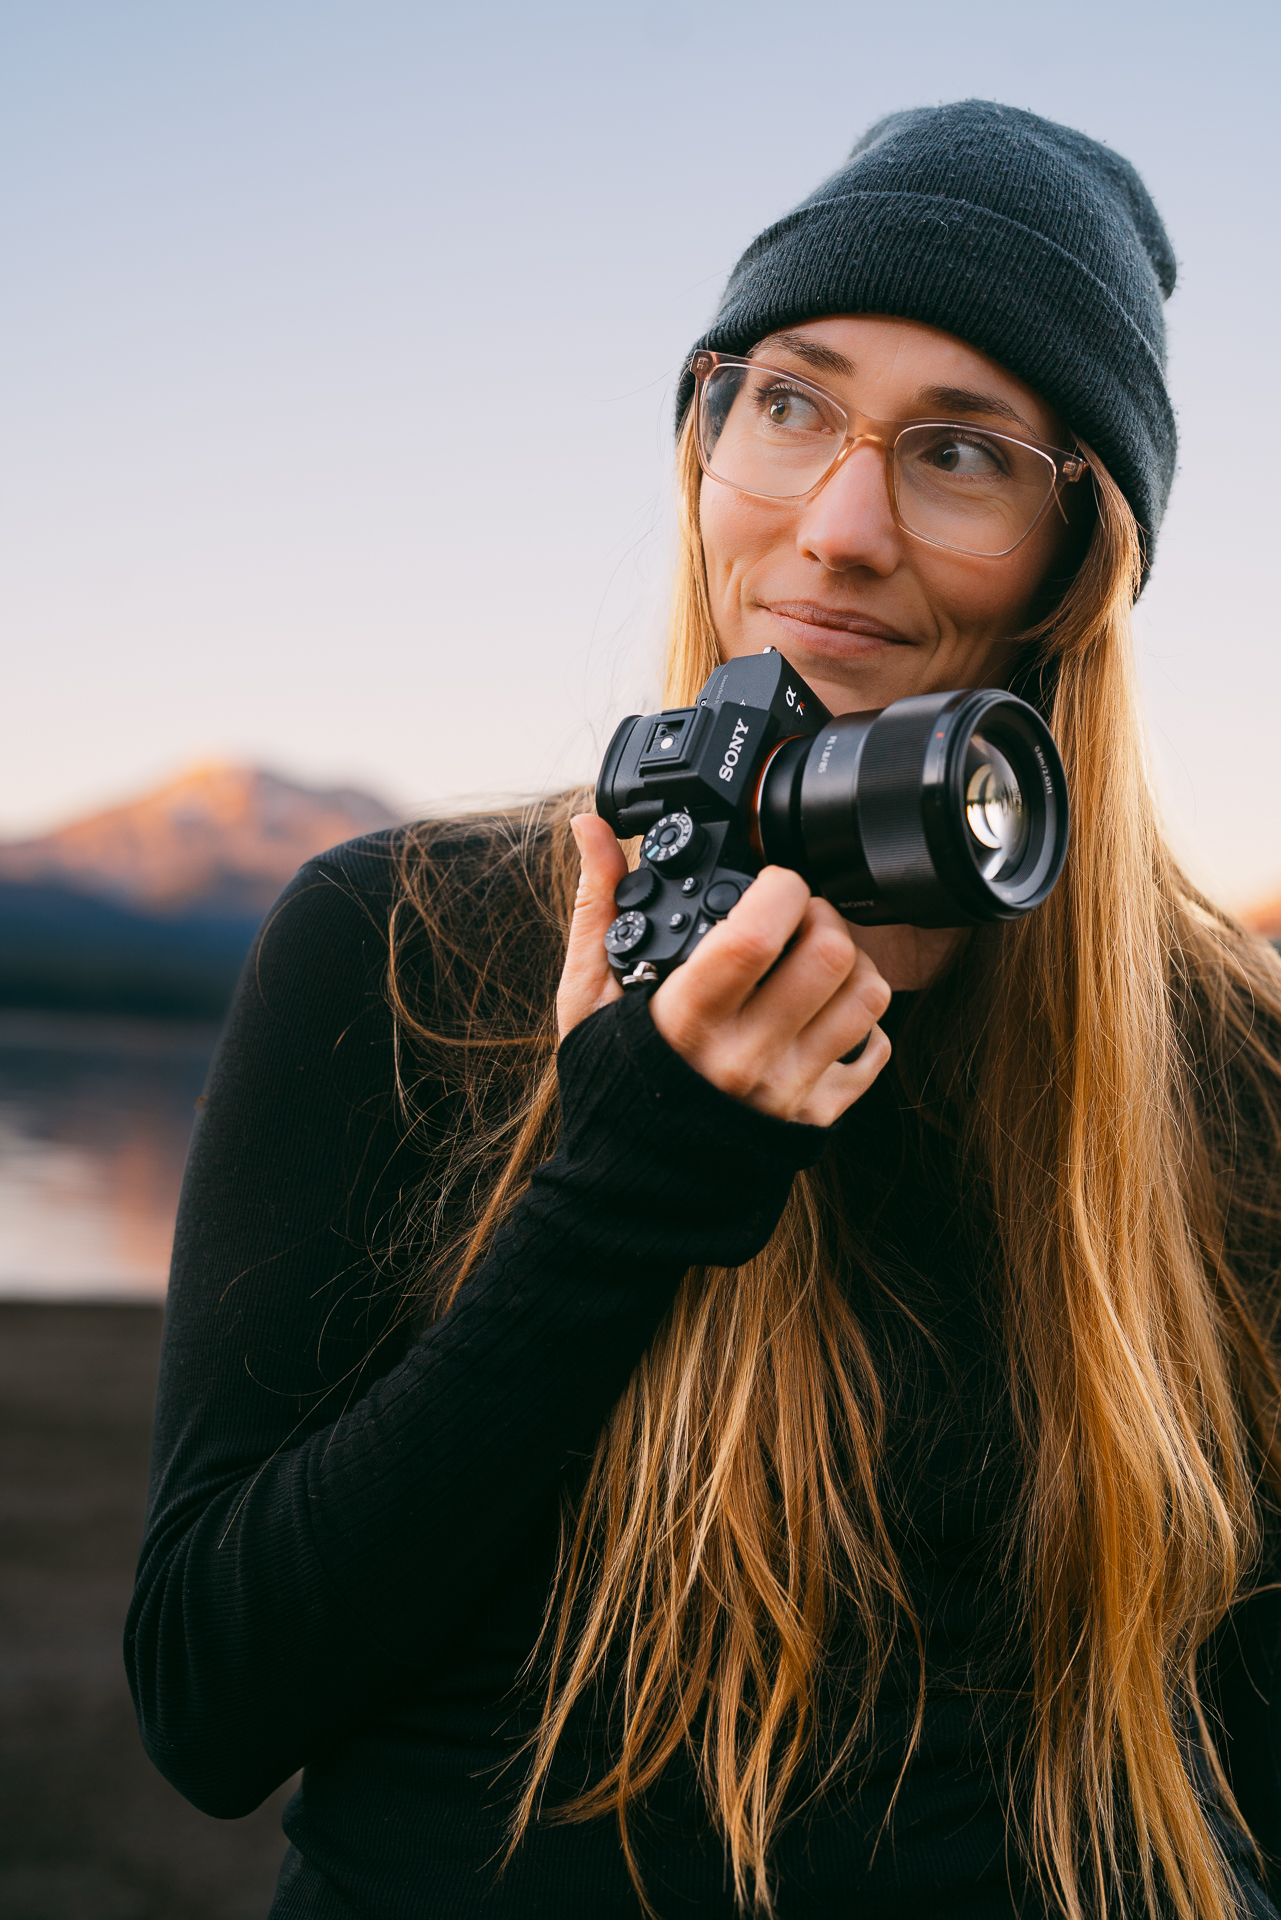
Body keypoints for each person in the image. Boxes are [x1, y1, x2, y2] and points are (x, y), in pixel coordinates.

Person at [127, 102, 1281, 1920]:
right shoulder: (404, 944)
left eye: (960, 452)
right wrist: (625, 1183)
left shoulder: (1226, 1059)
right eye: (791, 404)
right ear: (705, 437)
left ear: (1077, 568)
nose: (836, 529)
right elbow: (212, 1698)